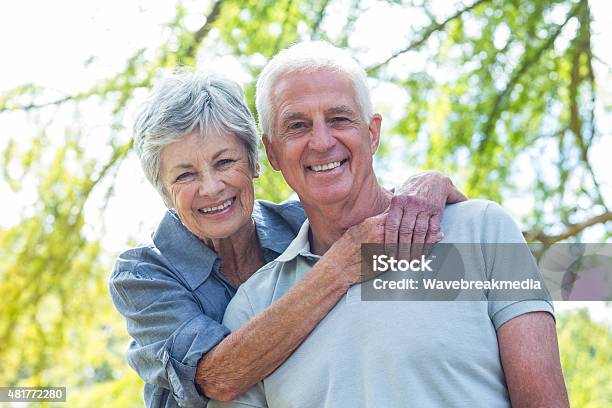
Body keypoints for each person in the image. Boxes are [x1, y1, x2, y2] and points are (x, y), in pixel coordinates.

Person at [209, 41, 569, 408]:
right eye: (297, 125)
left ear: (373, 133)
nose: (321, 141)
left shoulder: (482, 231)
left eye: (339, 119)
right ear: (272, 153)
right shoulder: (252, 308)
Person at [109, 71, 467, 407]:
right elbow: (217, 378)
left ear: (255, 162)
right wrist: (339, 266)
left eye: (224, 162)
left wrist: (429, 183)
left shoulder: (299, 222)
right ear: (163, 190)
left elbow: (387, 209)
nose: (211, 188)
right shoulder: (142, 275)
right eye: (185, 175)